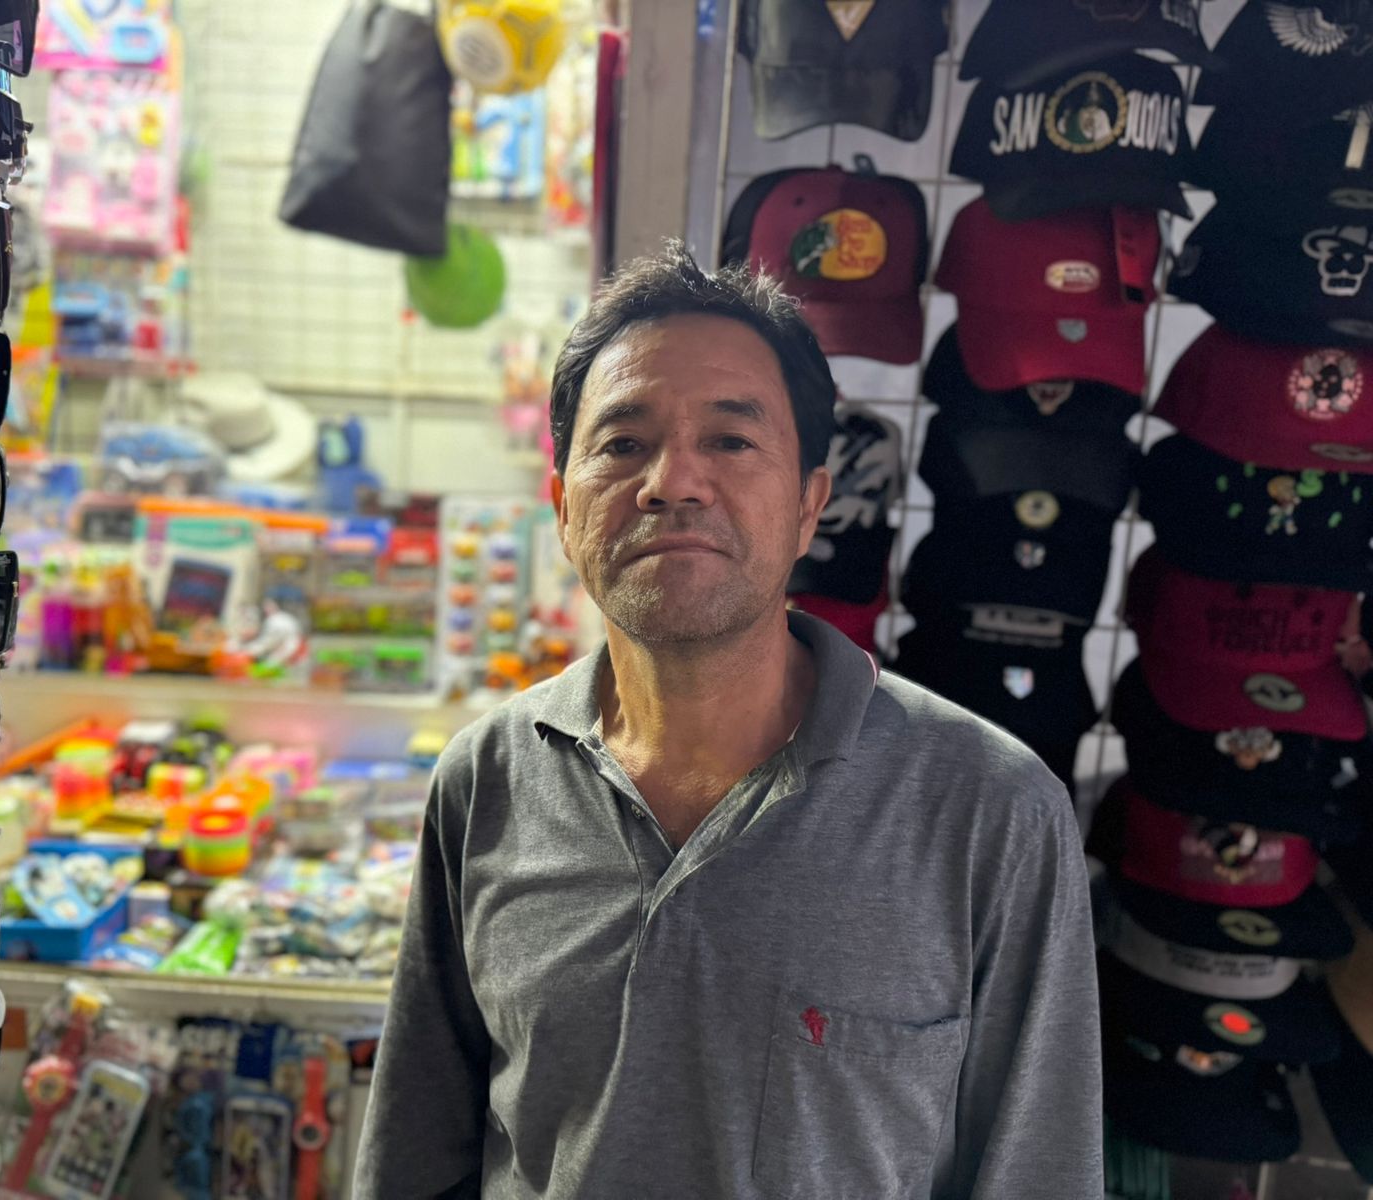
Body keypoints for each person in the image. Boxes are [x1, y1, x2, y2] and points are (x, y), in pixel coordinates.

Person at [353, 242, 1102, 1199]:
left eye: (732, 440)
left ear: (809, 505)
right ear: (563, 508)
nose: (673, 481)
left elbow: (1038, 1172)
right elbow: (416, 1158)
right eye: (622, 444)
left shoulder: (990, 812)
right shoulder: (487, 781)